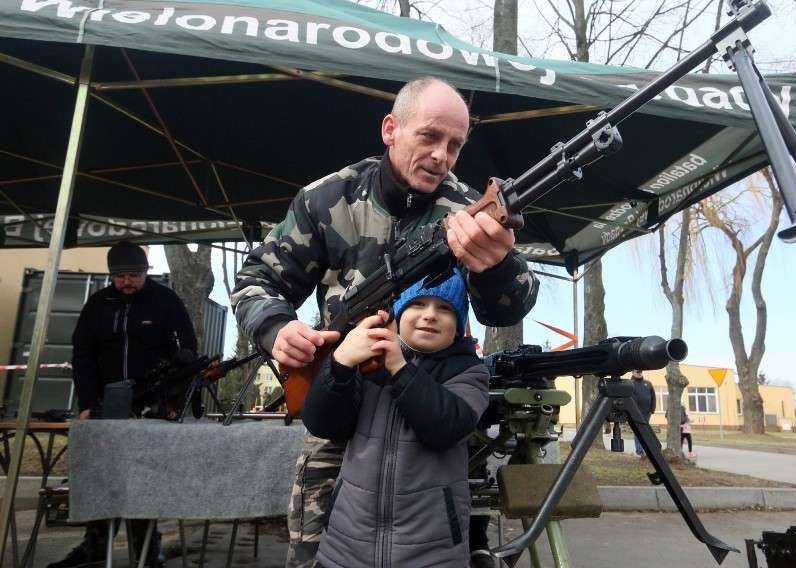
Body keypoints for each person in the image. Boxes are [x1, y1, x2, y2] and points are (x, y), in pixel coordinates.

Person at [231, 76, 538, 568]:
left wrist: (497, 265)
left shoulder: (465, 211)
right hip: (339, 395)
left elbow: (510, 306)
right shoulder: (328, 198)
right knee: (315, 552)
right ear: (390, 129)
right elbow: (257, 279)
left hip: (430, 410)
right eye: (430, 136)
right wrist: (276, 329)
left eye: (455, 145)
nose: (443, 156)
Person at [301, 270, 490, 567]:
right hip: (346, 548)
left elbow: (450, 426)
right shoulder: (368, 363)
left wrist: (401, 370)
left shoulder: (469, 372)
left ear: (459, 327)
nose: (430, 315)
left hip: (431, 554)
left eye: (444, 308)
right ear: (398, 314)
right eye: (418, 305)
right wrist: (339, 364)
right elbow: (322, 424)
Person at [47, 241, 197, 568]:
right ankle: (95, 546)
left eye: (132, 275)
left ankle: (146, 549)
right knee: (100, 475)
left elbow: (187, 355)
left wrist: (174, 400)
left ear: (145, 273)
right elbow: (83, 355)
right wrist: (87, 403)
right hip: (105, 408)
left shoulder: (166, 301)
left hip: (151, 411)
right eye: (119, 276)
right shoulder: (98, 304)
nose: (126, 281)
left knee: (142, 478)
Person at [629, 369, 656, 457]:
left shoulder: (648, 383)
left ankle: (647, 449)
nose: (639, 373)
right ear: (633, 372)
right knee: (638, 431)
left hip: (647, 412)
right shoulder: (630, 384)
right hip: (636, 412)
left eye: (640, 372)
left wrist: (652, 409)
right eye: (637, 372)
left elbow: (653, 397)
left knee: (646, 431)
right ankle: (639, 450)